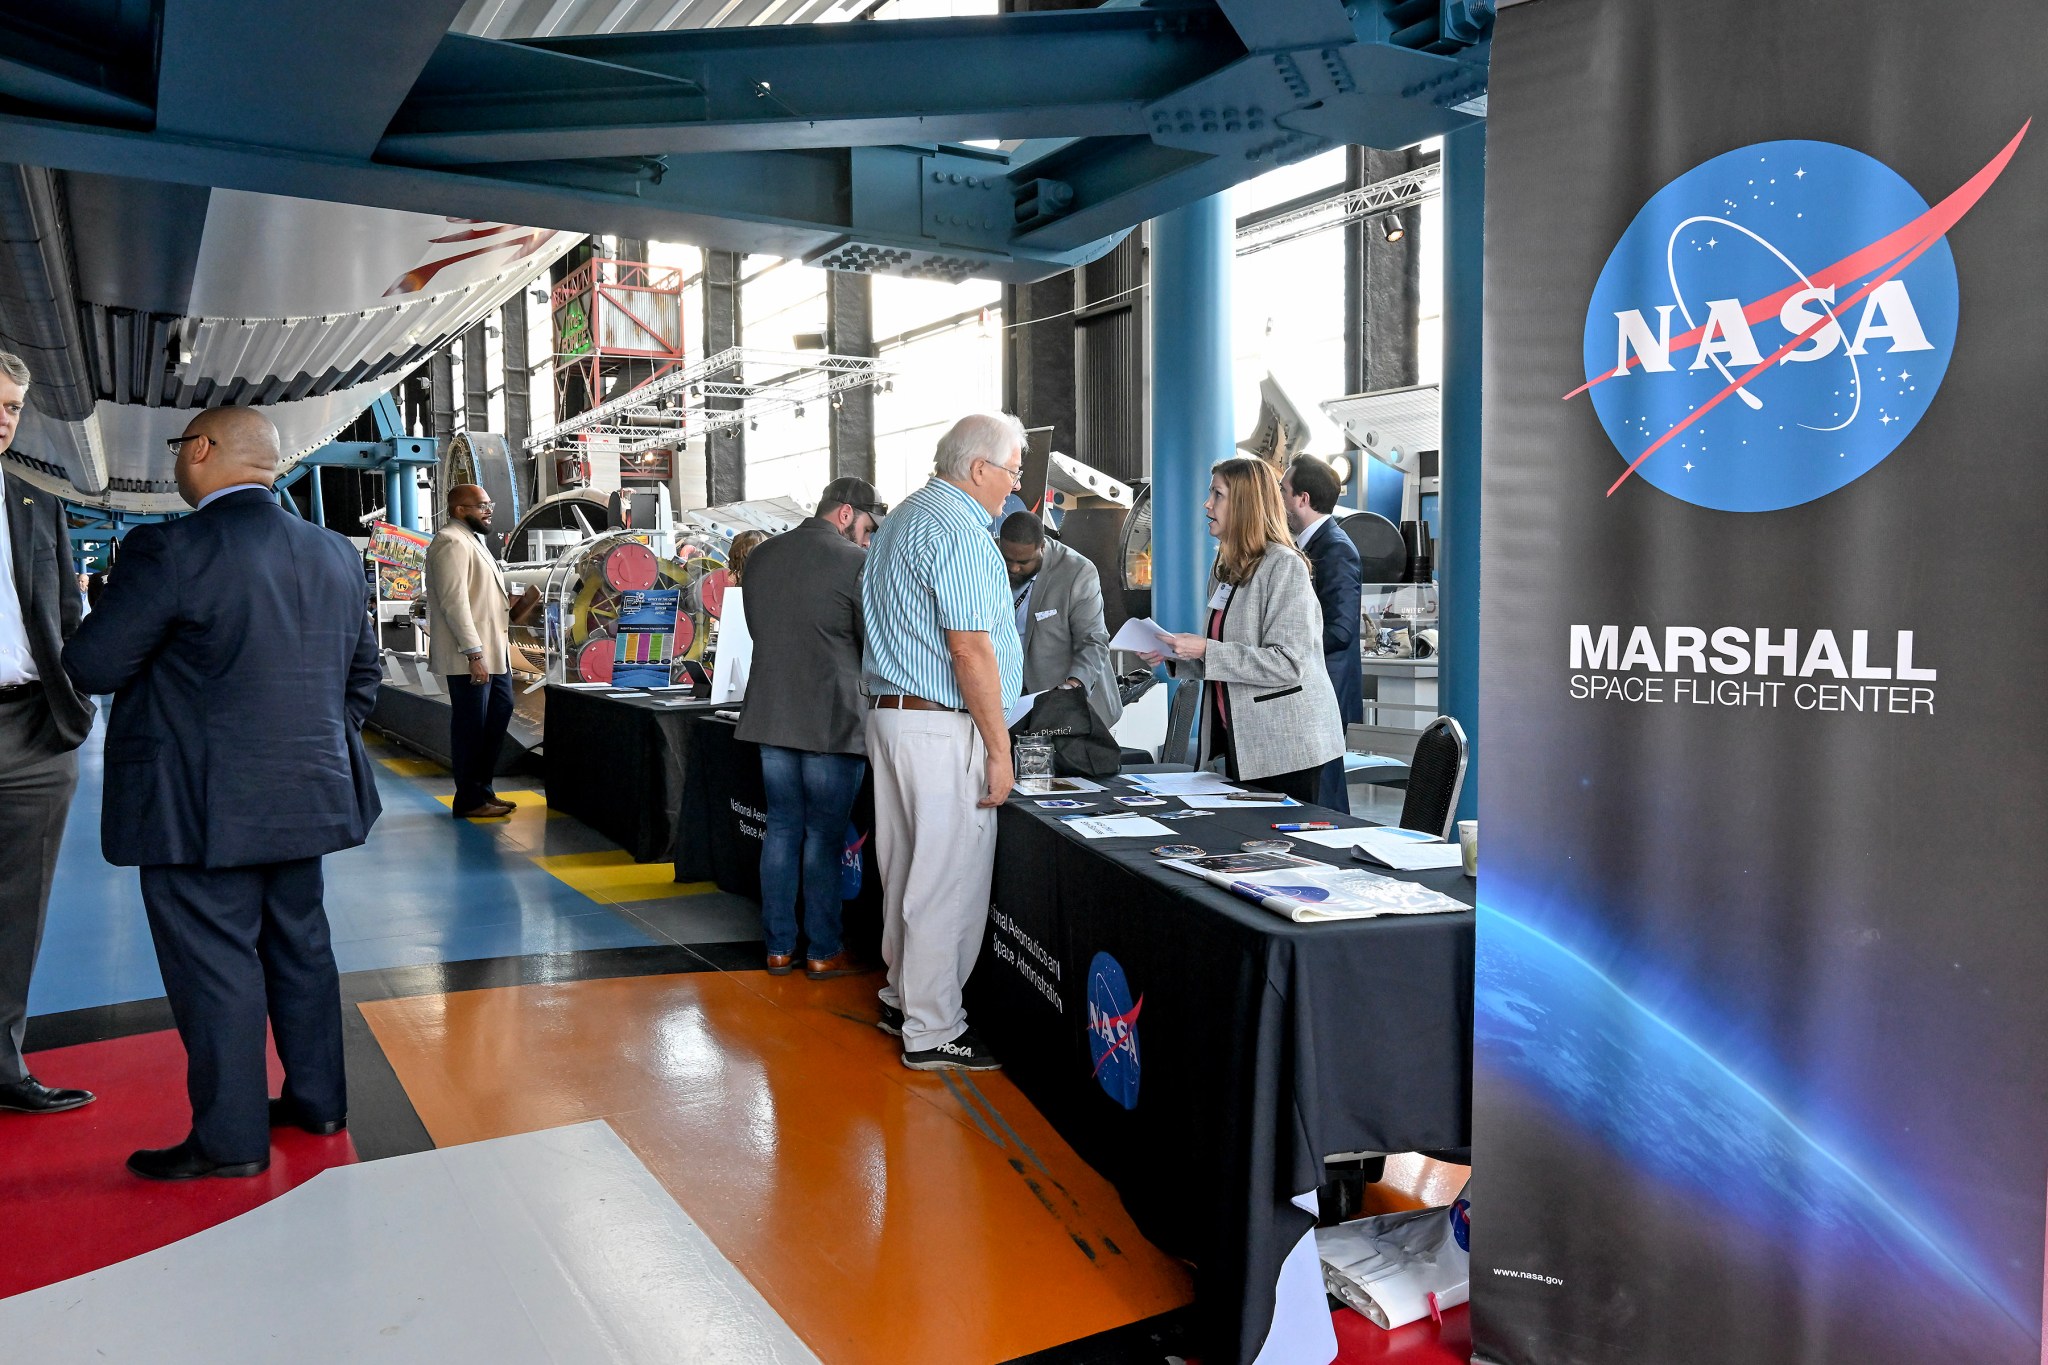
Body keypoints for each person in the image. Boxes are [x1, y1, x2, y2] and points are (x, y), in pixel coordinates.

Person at [63, 406, 381, 1179]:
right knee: (301, 950)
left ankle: (230, 1139)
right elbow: (362, 676)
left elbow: (94, 664)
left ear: (201, 450)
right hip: (307, 799)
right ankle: (319, 1100)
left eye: (181, 448)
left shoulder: (169, 549)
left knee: (217, 966)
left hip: (198, 809)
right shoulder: (334, 553)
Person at [862, 414, 1024, 1071]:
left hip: (893, 716)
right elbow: (971, 647)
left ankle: (903, 997)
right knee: (945, 878)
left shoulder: (902, 517)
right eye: (1013, 471)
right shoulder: (960, 528)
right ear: (980, 467)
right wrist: (1000, 746)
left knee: (905, 870)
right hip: (938, 724)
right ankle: (933, 1029)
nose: (1016, 487)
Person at [735, 476, 885, 979]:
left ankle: (778, 946)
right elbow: (873, 646)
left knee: (780, 829)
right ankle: (822, 949)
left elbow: (760, 631)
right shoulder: (855, 563)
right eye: (867, 527)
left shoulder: (761, 556)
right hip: (833, 720)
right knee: (822, 837)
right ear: (845, 514)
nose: (867, 539)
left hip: (771, 715)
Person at [0, 351, 97, 1116]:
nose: (5, 420)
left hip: (32, 726)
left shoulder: (34, 494)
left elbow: (65, 606)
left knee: (19, 905)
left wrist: (76, 706)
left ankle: (4, 1062)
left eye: (11, 409)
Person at [1143, 457, 1343, 805]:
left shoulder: (1285, 566)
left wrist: (1205, 649)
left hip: (1287, 743)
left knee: (1283, 854)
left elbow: (1288, 663)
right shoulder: (1224, 567)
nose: (1207, 504)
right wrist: (1176, 655)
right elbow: (1229, 654)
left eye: (1217, 494)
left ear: (1245, 504)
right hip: (1241, 739)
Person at [425, 484, 535, 819]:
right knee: (472, 727)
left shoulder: (473, 541)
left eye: (490, 503)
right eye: (482, 505)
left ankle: (483, 791)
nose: (489, 510)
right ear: (460, 510)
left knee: (498, 716)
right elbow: (454, 603)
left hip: (494, 652)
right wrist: (474, 654)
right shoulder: (450, 542)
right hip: (471, 657)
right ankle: (469, 800)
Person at [1281, 456, 1363, 812]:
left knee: (1323, 795)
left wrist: (1285, 647)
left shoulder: (1336, 548)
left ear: (1303, 498)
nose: (1277, 499)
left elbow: (1341, 630)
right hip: (1308, 688)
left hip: (1325, 691)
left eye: (1282, 490)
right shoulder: (1302, 548)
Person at [995, 511, 1122, 730]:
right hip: (1009, 703)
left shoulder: (1077, 572)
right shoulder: (987, 558)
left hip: (1068, 705)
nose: (1014, 568)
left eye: (1024, 562)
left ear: (1042, 547)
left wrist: (1073, 685)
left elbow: (1093, 640)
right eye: (1008, 560)